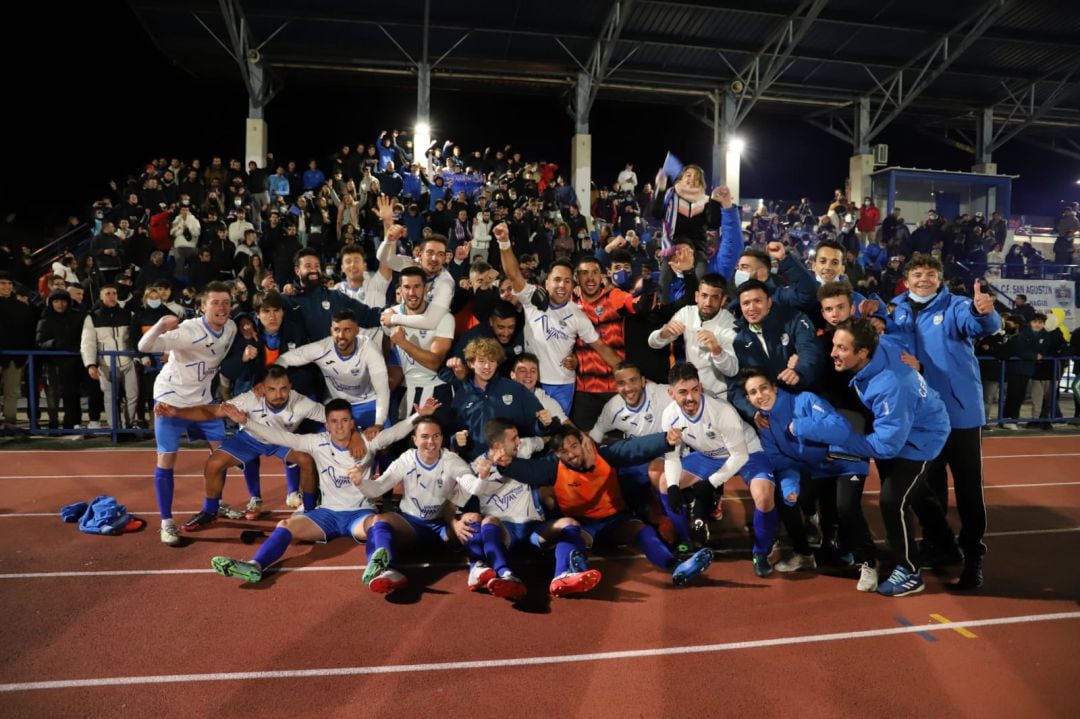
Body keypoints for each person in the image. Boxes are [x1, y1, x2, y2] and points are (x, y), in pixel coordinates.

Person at [209, 398, 434, 586]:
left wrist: (418, 417)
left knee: (379, 523)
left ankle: (385, 570)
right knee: (286, 525)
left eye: (345, 421)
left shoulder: (368, 441)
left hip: (360, 513)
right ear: (326, 425)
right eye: (334, 422)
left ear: (352, 423)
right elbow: (279, 437)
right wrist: (246, 422)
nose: (339, 426)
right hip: (327, 514)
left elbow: (394, 434)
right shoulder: (316, 442)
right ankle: (254, 566)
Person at [887, 255, 1001, 590]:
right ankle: (940, 545)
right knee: (929, 488)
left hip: (960, 415)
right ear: (906, 279)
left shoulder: (957, 306)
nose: (924, 279)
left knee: (968, 488)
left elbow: (980, 324)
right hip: (922, 417)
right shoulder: (895, 310)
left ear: (939, 279)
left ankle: (972, 555)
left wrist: (985, 311)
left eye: (931, 274)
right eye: (917, 273)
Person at [828, 318, 958, 597]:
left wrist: (844, 442)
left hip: (921, 437)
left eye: (841, 348)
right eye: (834, 345)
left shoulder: (891, 385)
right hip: (905, 425)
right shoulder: (881, 344)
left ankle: (909, 570)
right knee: (917, 492)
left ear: (862, 352)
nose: (833, 353)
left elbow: (886, 445)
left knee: (892, 500)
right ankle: (947, 546)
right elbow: (898, 341)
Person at [508, 424, 714, 591]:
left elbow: (634, 448)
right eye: (563, 451)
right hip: (584, 526)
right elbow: (528, 471)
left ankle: (676, 567)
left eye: (573, 446)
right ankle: (564, 576)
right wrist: (504, 463)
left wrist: (664, 440)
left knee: (642, 530)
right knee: (569, 533)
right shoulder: (553, 468)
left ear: (583, 443)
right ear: (557, 454)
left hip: (616, 521)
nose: (571, 454)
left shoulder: (605, 455)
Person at [137, 281, 254, 546]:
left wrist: (246, 324)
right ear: (202, 307)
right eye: (215, 302)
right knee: (166, 461)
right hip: (170, 399)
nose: (221, 308)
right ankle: (167, 522)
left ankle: (214, 505)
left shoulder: (231, 327)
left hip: (202, 400)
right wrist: (160, 325)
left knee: (222, 455)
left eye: (226, 302)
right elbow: (144, 346)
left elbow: (243, 320)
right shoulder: (188, 330)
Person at [742, 368, 877, 590]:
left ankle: (869, 563)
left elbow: (840, 428)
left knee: (846, 508)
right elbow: (783, 463)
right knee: (786, 498)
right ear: (749, 399)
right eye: (753, 392)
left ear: (774, 387)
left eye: (763, 388)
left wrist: (801, 427)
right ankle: (803, 553)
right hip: (819, 469)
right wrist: (790, 487)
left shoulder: (804, 400)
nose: (760, 395)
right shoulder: (765, 425)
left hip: (846, 460)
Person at [154, 366, 323, 529]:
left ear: (290, 387)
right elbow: (213, 412)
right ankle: (210, 511)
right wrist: (177, 412)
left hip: (283, 441)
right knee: (214, 464)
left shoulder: (301, 402)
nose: (279, 394)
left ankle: (309, 511)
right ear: (262, 388)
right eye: (272, 389)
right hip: (250, 439)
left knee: (306, 461)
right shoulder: (250, 398)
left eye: (283, 389)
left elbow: (330, 417)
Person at [648, 363, 775, 572]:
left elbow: (740, 455)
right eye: (682, 392)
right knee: (664, 481)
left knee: (763, 495)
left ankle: (761, 552)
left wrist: (711, 483)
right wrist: (672, 486)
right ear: (671, 393)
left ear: (701, 386)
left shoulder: (721, 411)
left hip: (748, 452)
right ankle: (686, 541)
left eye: (694, 390)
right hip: (710, 455)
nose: (690, 397)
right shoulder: (670, 416)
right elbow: (672, 457)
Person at [458, 418, 597, 598]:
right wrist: (456, 522)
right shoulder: (476, 467)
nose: (519, 441)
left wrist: (580, 439)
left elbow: (545, 441)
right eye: (514, 438)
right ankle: (505, 575)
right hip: (504, 532)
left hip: (534, 529)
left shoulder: (524, 448)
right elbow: (458, 499)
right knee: (489, 520)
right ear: (497, 444)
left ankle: (563, 575)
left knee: (569, 523)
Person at [495, 222, 621, 415]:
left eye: (567, 281)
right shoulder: (532, 297)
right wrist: (504, 242)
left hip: (562, 385)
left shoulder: (578, 316)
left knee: (556, 434)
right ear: (547, 282)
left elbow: (602, 348)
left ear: (573, 285)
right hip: (530, 379)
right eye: (557, 280)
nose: (562, 285)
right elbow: (513, 274)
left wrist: (628, 374)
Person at [350, 412, 480, 595]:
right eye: (425, 437)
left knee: (471, 519)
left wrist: (478, 479)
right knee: (379, 520)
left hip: (443, 527)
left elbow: (469, 481)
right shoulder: (407, 459)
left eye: (436, 436)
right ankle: (387, 570)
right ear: (415, 439)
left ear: (442, 438)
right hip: (410, 526)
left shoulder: (450, 460)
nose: (431, 442)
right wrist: (360, 483)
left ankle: (478, 567)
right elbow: (377, 489)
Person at [275, 309, 388, 432]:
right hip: (338, 406)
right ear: (331, 331)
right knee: (326, 446)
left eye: (347, 330)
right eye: (337, 330)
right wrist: (269, 382)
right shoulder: (321, 348)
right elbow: (284, 359)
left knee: (385, 443)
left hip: (369, 402)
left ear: (357, 331)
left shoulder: (369, 348)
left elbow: (382, 390)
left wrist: (378, 424)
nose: (341, 335)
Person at [447, 338, 548, 460]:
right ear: (470, 364)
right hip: (478, 465)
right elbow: (453, 435)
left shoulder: (515, 389)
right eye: (481, 361)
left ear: (498, 363)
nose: (487, 366)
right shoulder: (462, 395)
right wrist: (456, 440)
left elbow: (536, 425)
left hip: (512, 463)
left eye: (492, 361)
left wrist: (543, 424)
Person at [383, 266, 455, 425]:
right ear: (400, 290)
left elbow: (434, 362)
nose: (411, 292)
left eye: (417, 286)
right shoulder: (389, 315)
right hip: (404, 390)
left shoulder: (444, 317)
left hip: (436, 389)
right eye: (407, 287)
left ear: (426, 288)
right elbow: (387, 356)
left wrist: (403, 342)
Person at [647, 273, 738, 398]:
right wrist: (663, 333)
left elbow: (732, 370)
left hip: (718, 394)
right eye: (704, 296)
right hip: (690, 391)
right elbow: (653, 343)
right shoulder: (687, 312)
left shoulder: (729, 323)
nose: (708, 302)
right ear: (696, 296)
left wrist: (716, 349)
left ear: (723, 300)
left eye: (715, 297)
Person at [80, 285, 138, 429]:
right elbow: (88, 343)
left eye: (114, 293)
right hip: (106, 364)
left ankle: (128, 426)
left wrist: (137, 358)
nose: (112, 296)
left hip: (128, 361)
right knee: (110, 396)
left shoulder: (128, 314)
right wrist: (90, 364)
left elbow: (135, 339)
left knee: (132, 396)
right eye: (108, 293)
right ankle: (114, 428)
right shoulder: (93, 317)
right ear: (101, 296)